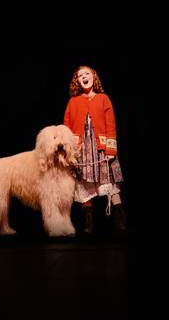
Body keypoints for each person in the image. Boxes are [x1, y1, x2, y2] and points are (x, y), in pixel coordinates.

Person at [63, 65, 127, 235]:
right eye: (79, 75)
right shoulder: (73, 102)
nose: (83, 76)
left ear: (94, 76)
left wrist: (110, 150)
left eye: (87, 73)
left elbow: (111, 124)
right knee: (84, 183)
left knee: (110, 181)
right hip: (81, 149)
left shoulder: (103, 98)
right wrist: (70, 151)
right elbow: (66, 127)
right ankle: (88, 219)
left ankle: (119, 215)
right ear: (77, 81)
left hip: (101, 147)